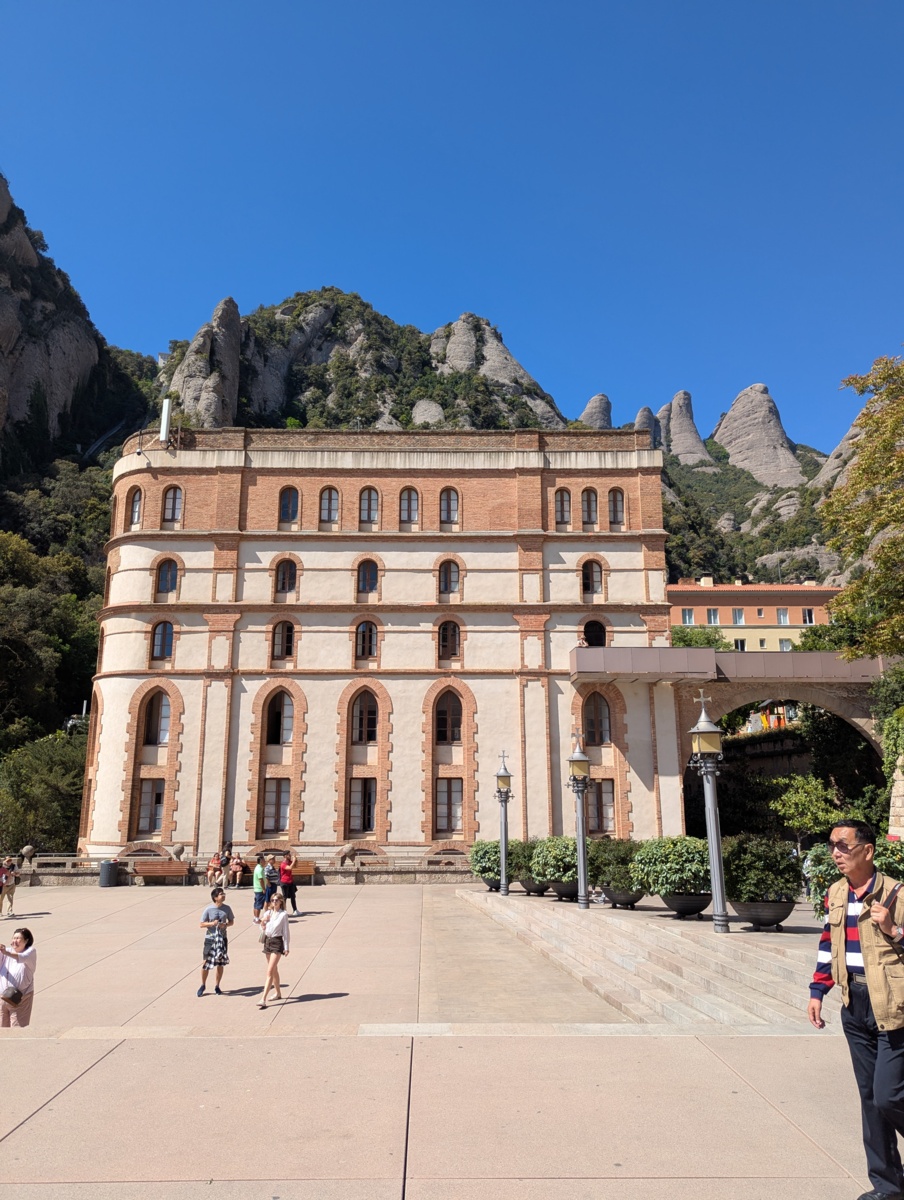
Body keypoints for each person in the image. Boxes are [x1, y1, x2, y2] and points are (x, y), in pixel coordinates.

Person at [808, 819, 904, 1200]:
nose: (836, 852)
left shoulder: (896, 893)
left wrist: (893, 930)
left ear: (868, 850)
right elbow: (827, 943)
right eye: (832, 845)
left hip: (892, 1006)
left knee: (888, 1095)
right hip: (855, 1005)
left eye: (844, 845)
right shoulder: (835, 893)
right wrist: (818, 990)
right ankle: (888, 1186)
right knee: (869, 1099)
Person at [198, 887, 234, 997]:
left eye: (223, 894)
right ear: (215, 897)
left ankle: (217, 986)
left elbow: (231, 922)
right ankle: (203, 985)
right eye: (221, 894)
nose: (223, 895)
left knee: (220, 963)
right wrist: (212, 923)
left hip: (222, 939)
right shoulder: (209, 909)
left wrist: (225, 925)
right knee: (205, 962)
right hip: (210, 939)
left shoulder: (227, 908)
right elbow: (201, 924)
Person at [0, 927, 36, 1027]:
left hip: (20, 998)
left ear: (26, 941)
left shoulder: (31, 952)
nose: (14, 941)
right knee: (2, 1030)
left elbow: (22, 957)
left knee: (17, 1029)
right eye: (14, 938)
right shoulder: (5, 952)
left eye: (18, 938)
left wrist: (6, 953)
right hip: (2, 998)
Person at [258, 893, 290, 1008]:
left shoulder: (283, 915)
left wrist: (286, 947)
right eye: (272, 900)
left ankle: (263, 999)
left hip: (277, 942)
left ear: (281, 901)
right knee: (274, 970)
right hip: (267, 941)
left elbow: (286, 932)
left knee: (269, 971)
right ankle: (278, 993)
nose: (274, 902)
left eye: (276, 900)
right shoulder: (268, 913)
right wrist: (263, 922)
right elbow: (261, 927)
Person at [279, 850, 300, 916]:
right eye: (289, 854)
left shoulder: (289, 862)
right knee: (284, 897)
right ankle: (283, 911)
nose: (290, 855)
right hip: (284, 882)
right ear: (285, 856)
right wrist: (293, 861)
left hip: (291, 882)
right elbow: (290, 868)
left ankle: (295, 910)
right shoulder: (283, 864)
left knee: (293, 896)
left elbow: (296, 866)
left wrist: (295, 860)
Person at [252, 854, 266, 919]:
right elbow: (260, 880)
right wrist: (263, 888)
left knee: (256, 904)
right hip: (259, 889)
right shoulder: (259, 869)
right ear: (261, 861)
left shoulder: (257, 867)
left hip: (257, 889)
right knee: (259, 905)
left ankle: (255, 917)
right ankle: (257, 918)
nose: (265, 862)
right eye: (264, 860)